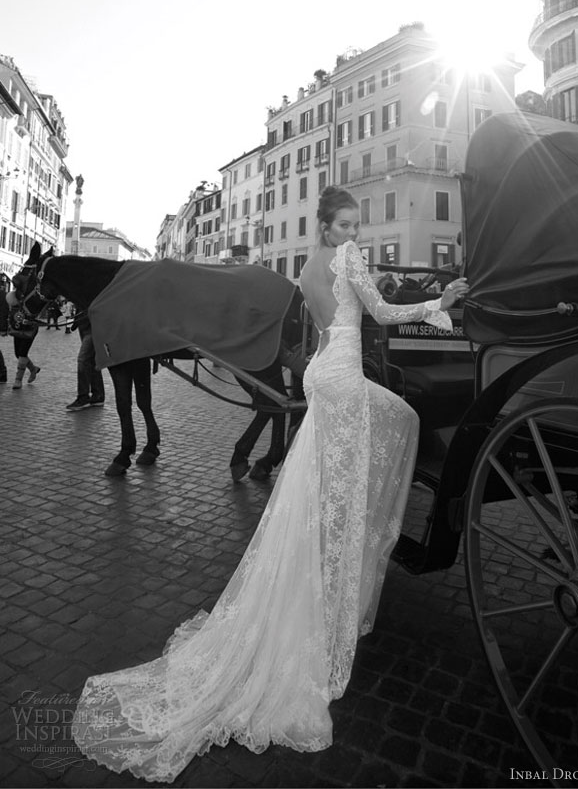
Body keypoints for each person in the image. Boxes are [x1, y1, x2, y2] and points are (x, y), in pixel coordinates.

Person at [72, 186, 469, 782]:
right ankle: (362, 535)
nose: (354, 233)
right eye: (345, 224)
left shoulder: (309, 265)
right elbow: (381, 316)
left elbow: (339, 317)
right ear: (327, 226)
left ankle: (338, 538)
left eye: (356, 225)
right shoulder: (348, 259)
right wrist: (443, 297)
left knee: (316, 483)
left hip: (322, 378)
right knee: (405, 420)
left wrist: (375, 293)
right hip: (342, 381)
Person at [65, 311, 105, 411]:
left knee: (83, 360)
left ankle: (83, 397)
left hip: (93, 327)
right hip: (84, 326)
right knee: (91, 360)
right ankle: (98, 395)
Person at [6, 287, 40, 390]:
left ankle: (18, 380)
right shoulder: (16, 296)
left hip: (30, 328)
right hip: (18, 326)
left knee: (22, 353)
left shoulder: (35, 296)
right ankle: (33, 369)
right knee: (18, 353)